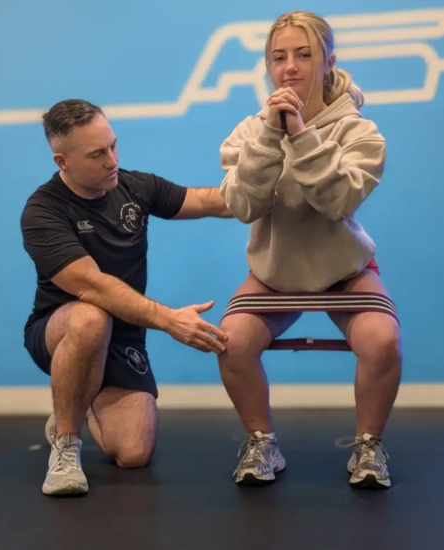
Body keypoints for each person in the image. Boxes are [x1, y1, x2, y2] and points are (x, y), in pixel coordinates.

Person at [216, 11, 401, 489]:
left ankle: (369, 447)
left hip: (344, 267)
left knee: (383, 341)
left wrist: (300, 134)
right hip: (274, 272)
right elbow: (242, 205)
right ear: (268, 67)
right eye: (279, 57)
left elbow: (337, 202)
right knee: (231, 341)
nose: (290, 67)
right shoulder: (246, 134)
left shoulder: (361, 133)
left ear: (327, 61)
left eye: (303, 55)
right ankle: (261, 442)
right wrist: (271, 136)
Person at [20, 99, 232, 496]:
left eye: (114, 146)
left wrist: (274, 190)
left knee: (133, 453)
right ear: (62, 161)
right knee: (91, 318)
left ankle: (76, 403)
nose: (112, 160)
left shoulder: (135, 186)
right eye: (97, 154)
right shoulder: (42, 211)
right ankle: (66, 444)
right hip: (59, 329)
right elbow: (93, 287)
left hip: (124, 337)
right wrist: (171, 320)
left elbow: (208, 200)